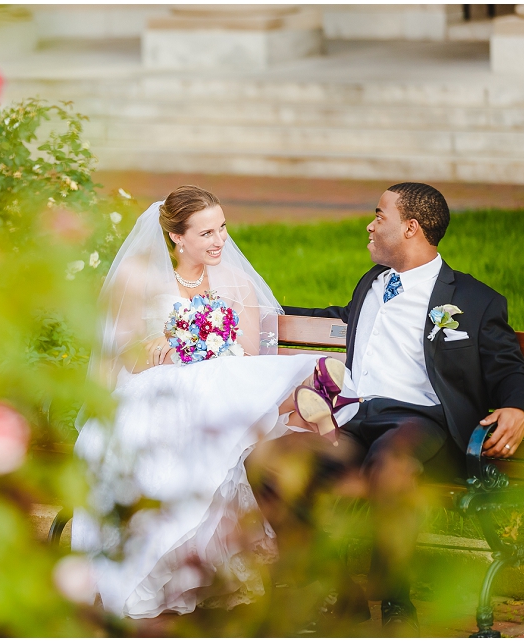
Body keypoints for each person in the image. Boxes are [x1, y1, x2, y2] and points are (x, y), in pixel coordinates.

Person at [245, 182, 524, 635]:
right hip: (356, 419)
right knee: (269, 462)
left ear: (411, 228)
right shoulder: (373, 284)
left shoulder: (474, 301)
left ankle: (398, 601)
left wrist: (518, 408)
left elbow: (509, 369)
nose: (370, 223)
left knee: (391, 466)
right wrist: (250, 313)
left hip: (422, 423)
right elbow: (339, 317)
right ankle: (343, 591)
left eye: (379, 215)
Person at [71, 186, 332, 619]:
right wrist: (171, 345)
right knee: (174, 411)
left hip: (220, 384)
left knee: (217, 384)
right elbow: (126, 359)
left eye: (223, 228)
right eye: (206, 233)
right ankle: (156, 565)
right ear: (176, 237)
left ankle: (311, 388)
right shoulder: (138, 279)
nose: (220, 241)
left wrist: (197, 342)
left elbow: (252, 357)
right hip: (153, 389)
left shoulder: (236, 282)